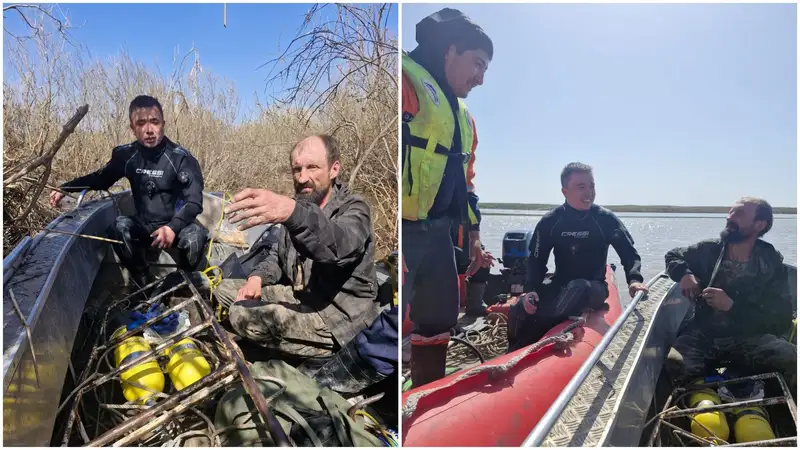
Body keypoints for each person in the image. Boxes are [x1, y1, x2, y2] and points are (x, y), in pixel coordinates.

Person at [217, 134, 381, 362]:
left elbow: (337, 247)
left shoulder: (355, 209)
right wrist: (256, 278)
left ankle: (323, 356)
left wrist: (293, 214)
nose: (303, 177)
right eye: (297, 169)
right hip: (302, 296)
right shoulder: (301, 206)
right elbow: (277, 255)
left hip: (337, 318)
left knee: (241, 314)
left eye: (312, 167)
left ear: (334, 170)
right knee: (223, 289)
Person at [401, 7, 494, 387]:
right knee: (391, 310)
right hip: (403, 233)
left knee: (439, 316)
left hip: (439, 234)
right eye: (477, 64)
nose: (481, 79)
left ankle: (425, 394)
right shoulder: (405, 81)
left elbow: (467, 183)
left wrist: (473, 237)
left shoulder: (465, 119)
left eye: (485, 70)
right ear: (450, 51)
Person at [51, 95, 207, 284]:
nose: (149, 130)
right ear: (132, 128)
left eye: (154, 122)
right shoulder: (126, 155)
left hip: (177, 225)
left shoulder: (181, 158)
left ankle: (181, 283)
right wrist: (66, 187)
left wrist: (172, 228)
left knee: (196, 238)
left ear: (163, 124)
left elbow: (193, 202)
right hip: (144, 225)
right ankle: (143, 279)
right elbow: (100, 179)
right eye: (141, 123)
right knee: (118, 227)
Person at [508, 162, 648, 351]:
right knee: (519, 307)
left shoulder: (605, 219)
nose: (588, 192)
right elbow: (536, 260)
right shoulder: (552, 221)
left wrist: (634, 280)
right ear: (565, 191)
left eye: (591, 186)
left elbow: (629, 253)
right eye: (581, 187)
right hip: (561, 284)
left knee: (578, 287)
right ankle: (512, 350)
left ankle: (529, 342)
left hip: (593, 288)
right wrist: (531, 290)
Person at [664, 197, 796, 391]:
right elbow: (673, 256)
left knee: (792, 359)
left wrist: (732, 307)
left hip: (749, 336)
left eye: (739, 213)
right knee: (675, 363)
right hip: (704, 334)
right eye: (730, 212)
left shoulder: (771, 264)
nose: (729, 217)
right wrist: (684, 274)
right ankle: (705, 397)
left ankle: (781, 413)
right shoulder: (709, 249)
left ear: (759, 225)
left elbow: (780, 319)